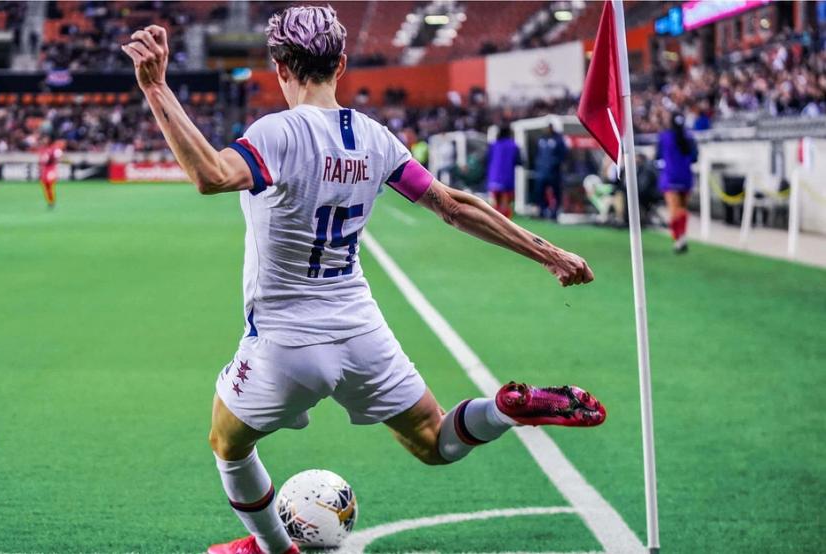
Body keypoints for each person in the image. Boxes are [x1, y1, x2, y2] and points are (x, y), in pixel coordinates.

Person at [121, 8, 602, 554]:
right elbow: (454, 207)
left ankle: (273, 549)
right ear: (342, 64)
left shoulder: (277, 132)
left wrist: (157, 87)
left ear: (280, 67)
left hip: (286, 342)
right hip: (360, 332)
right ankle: (503, 408)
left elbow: (211, 174)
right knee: (434, 441)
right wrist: (549, 252)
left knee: (228, 446)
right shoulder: (374, 137)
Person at [656, 113, 698, 253]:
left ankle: (677, 239)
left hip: (670, 177)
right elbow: (695, 157)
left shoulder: (664, 137)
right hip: (685, 177)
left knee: (673, 210)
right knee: (682, 209)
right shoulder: (690, 137)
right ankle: (683, 237)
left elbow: (658, 156)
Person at [533, 118, 568, 220]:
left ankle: (555, 212)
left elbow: (564, 154)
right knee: (539, 192)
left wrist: (555, 163)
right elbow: (537, 154)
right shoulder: (541, 139)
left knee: (556, 192)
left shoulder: (559, 139)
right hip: (542, 172)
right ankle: (542, 211)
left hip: (554, 173)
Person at [485, 124, 521, 218]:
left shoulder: (493, 145)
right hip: (507, 178)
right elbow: (520, 161)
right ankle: (504, 223)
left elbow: (486, 159)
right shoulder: (513, 146)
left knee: (496, 203)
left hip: (493, 178)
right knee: (505, 203)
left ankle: (494, 220)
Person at [38, 138, 62, 209]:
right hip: (45, 169)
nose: (44, 141)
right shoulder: (42, 149)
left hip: (51, 168)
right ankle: (50, 201)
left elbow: (59, 156)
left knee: (49, 183)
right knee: (46, 186)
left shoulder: (54, 149)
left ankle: (52, 201)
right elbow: (42, 160)